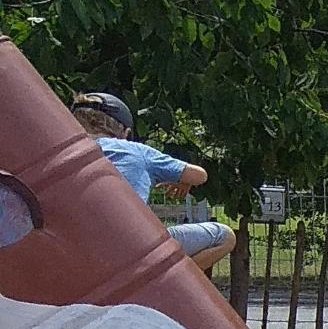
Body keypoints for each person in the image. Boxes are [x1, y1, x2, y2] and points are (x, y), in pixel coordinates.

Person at [69, 92, 237, 272]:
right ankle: (167, 285)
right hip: (134, 247)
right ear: (126, 133)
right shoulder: (136, 151)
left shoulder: (67, 154)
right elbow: (200, 176)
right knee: (225, 237)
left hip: (74, 247)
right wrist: (184, 181)